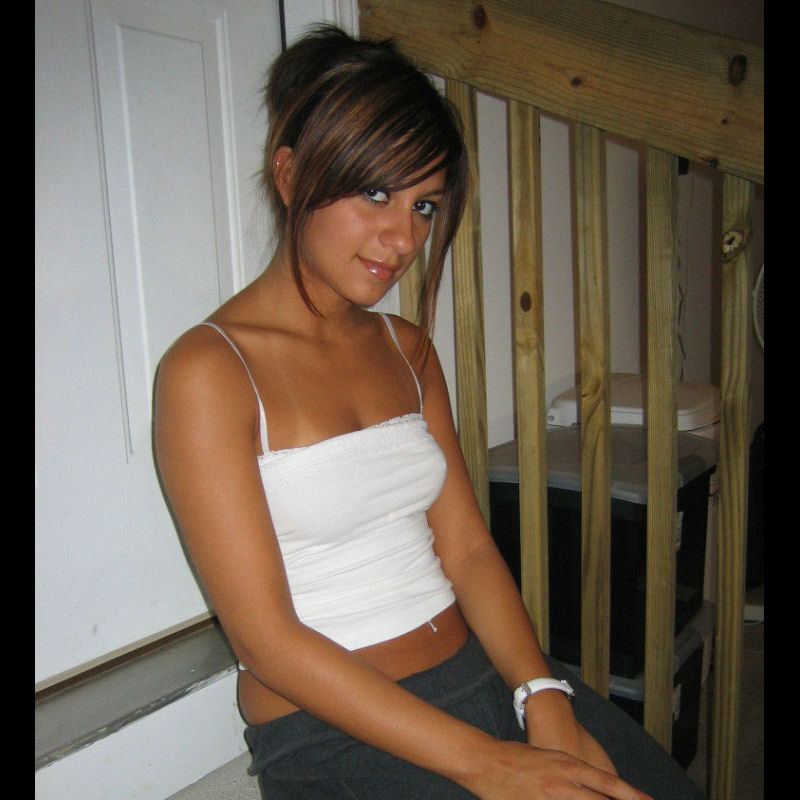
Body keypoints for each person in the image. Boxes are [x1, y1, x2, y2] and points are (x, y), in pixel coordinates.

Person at [154, 25, 705, 800]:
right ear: (290, 174)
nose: (404, 236)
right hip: (334, 733)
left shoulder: (406, 349)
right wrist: (492, 765)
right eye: (376, 193)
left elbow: (469, 551)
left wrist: (541, 695)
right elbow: (268, 641)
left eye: (424, 205)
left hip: (479, 677)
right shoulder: (208, 371)